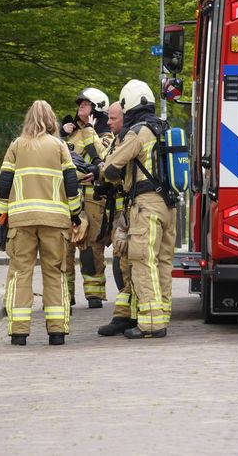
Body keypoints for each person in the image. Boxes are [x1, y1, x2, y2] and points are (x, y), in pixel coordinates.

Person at [0, 100, 84, 346]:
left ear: (28, 119)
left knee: (20, 272)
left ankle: (19, 332)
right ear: (52, 120)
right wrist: (75, 214)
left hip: (21, 220)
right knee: (55, 273)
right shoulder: (59, 146)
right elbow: (71, 183)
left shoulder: (16, 146)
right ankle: (57, 331)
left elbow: (4, 184)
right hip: (55, 221)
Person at [89, 79, 175, 339]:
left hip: (146, 206)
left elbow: (114, 167)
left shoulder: (137, 131)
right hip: (170, 206)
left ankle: (150, 324)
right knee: (162, 262)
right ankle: (161, 316)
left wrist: (100, 171)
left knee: (141, 261)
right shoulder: (164, 127)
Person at [60, 87, 110, 308]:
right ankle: (65, 294)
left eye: (86, 103)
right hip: (67, 195)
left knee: (91, 247)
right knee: (64, 246)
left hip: (92, 198)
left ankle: (95, 294)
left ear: (97, 108)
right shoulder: (69, 131)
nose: (81, 105)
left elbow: (101, 158)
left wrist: (90, 130)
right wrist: (61, 133)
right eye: (79, 103)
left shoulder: (106, 132)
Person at [97, 101, 136, 336]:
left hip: (129, 214)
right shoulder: (115, 140)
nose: (109, 123)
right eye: (108, 119)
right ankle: (125, 315)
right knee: (123, 266)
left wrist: (102, 173)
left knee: (128, 267)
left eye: (113, 119)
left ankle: (127, 317)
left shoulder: (129, 140)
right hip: (118, 214)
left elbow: (117, 172)